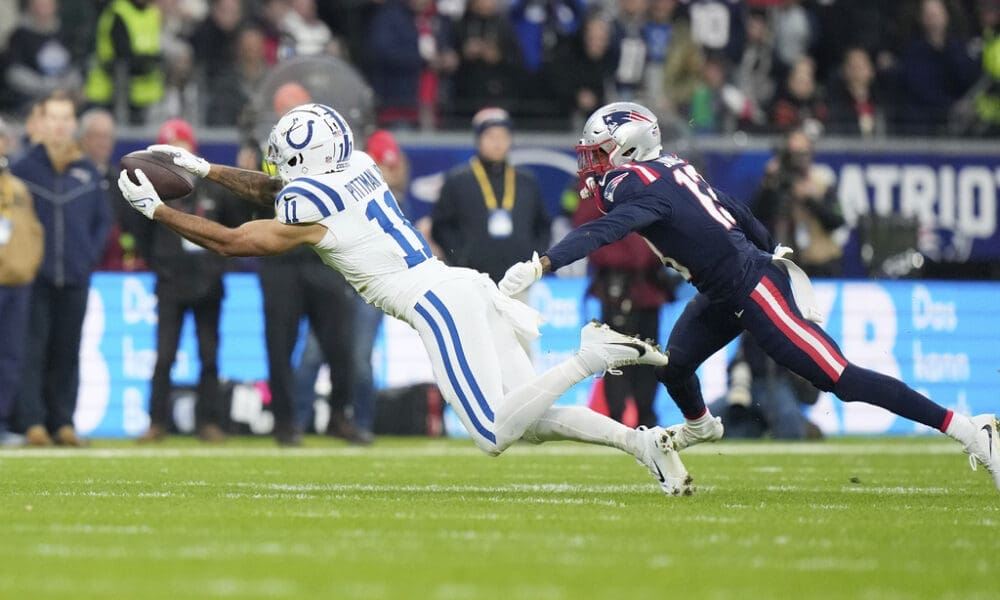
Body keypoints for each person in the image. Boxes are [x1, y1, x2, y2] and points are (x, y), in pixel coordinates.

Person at [118, 102, 693, 497]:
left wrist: (158, 211)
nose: (278, 170)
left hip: (436, 305)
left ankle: (589, 355)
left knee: (494, 434)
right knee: (532, 419)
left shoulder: (309, 206)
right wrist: (202, 168)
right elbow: (277, 187)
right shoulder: (362, 165)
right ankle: (641, 444)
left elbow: (233, 241)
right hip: (462, 284)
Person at [498, 100, 1000, 492]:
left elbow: (609, 230)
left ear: (627, 148)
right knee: (674, 367)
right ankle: (701, 428)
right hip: (725, 287)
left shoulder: (637, 188)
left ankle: (970, 429)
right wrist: (767, 242)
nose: (591, 164)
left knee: (839, 378)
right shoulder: (669, 165)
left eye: (600, 151)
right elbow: (731, 205)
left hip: (754, 288)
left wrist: (544, 263)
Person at [132, 119, 246, 443]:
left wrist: (217, 266)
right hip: (171, 283)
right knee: (164, 356)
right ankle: (156, 423)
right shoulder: (152, 190)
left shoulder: (212, 187)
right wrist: (162, 266)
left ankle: (208, 422)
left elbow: (235, 225)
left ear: (192, 151)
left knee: (209, 356)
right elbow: (141, 234)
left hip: (208, 283)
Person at [11, 90, 112, 447]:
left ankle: (64, 422)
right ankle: (33, 422)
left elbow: (103, 221)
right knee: (32, 350)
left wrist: (87, 257)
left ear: (72, 125)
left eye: (65, 119)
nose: (58, 126)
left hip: (74, 276)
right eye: (52, 118)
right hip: (34, 277)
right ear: (39, 123)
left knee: (68, 351)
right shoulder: (23, 169)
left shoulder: (86, 170)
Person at [431, 107, 550, 287]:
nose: (498, 143)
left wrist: (531, 259)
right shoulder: (458, 180)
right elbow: (441, 226)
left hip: (518, 281)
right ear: (479, 140)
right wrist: (461, 259)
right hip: (473, 282)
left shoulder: (526, 181)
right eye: (491, 136)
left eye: (503, 136)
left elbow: (542, 224)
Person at [0, 118, 44, 447]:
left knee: (12, 356)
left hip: (16, 282)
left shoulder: (17, 189)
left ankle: (1, 422)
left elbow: (32, 233)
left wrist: (27, 267)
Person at [84, 0, 164, 125]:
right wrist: (150, 60)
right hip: (112, 97)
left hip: (146, 96)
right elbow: (123, 57)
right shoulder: (118, 12)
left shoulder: (153, 13)